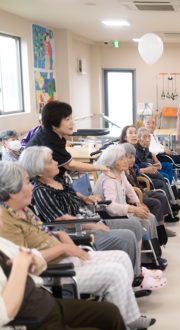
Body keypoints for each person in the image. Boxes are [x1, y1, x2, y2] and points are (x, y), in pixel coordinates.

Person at [0, 161, 156, 329]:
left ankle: (129, 315)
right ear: (12, 191)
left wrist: (59, 235)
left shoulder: (23, 209)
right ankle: (126, 320)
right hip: (53, 270)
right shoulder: (5, 222)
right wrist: (63, 247)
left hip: (66, 257)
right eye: (26, 182)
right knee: (115, 272)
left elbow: (38, 234)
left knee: (122, 257)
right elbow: (24, 260)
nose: (31, 186)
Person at [19, 146, 150, 279]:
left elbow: (72, 192)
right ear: (39, 172)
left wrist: (85, 198)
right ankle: (134, 277)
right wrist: (93, 225)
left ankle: (136, 270)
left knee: (134, 225)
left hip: (90, 219)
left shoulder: (57, 180)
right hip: (77, 229)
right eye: (50, 161)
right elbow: (60, 219)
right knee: (126, 236)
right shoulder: (41, 191)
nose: (56, 162)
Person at [25, 100, 111, 179]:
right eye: (67, 119)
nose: (72, 122)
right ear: (54, 124)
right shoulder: (48, 139)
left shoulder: (50, 134)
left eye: (71, 118)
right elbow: (71, 165)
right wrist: (99, 167)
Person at [120, 125, 180, 205]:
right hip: (135, 178)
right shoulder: (124, 150)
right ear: (125, 137)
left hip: (140, 172)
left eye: (135, 133)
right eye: (131, 133)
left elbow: (139, 163)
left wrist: (149, 166)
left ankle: (169, 201)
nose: (134, 135)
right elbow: (129, 171)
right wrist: (145, 169)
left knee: (162, 175)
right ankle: (168, 203)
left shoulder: (132, 148)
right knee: (161, 178)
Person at [144, 116, 180, 190]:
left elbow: (158, 145)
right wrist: (163, 149)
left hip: (163, 154)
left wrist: (164, 147)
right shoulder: (145, 136)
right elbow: (150, 149)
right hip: (159, 157)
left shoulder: (153, 134)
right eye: (148, 123)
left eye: (153, 123)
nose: (151, 125)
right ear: (144, 125)